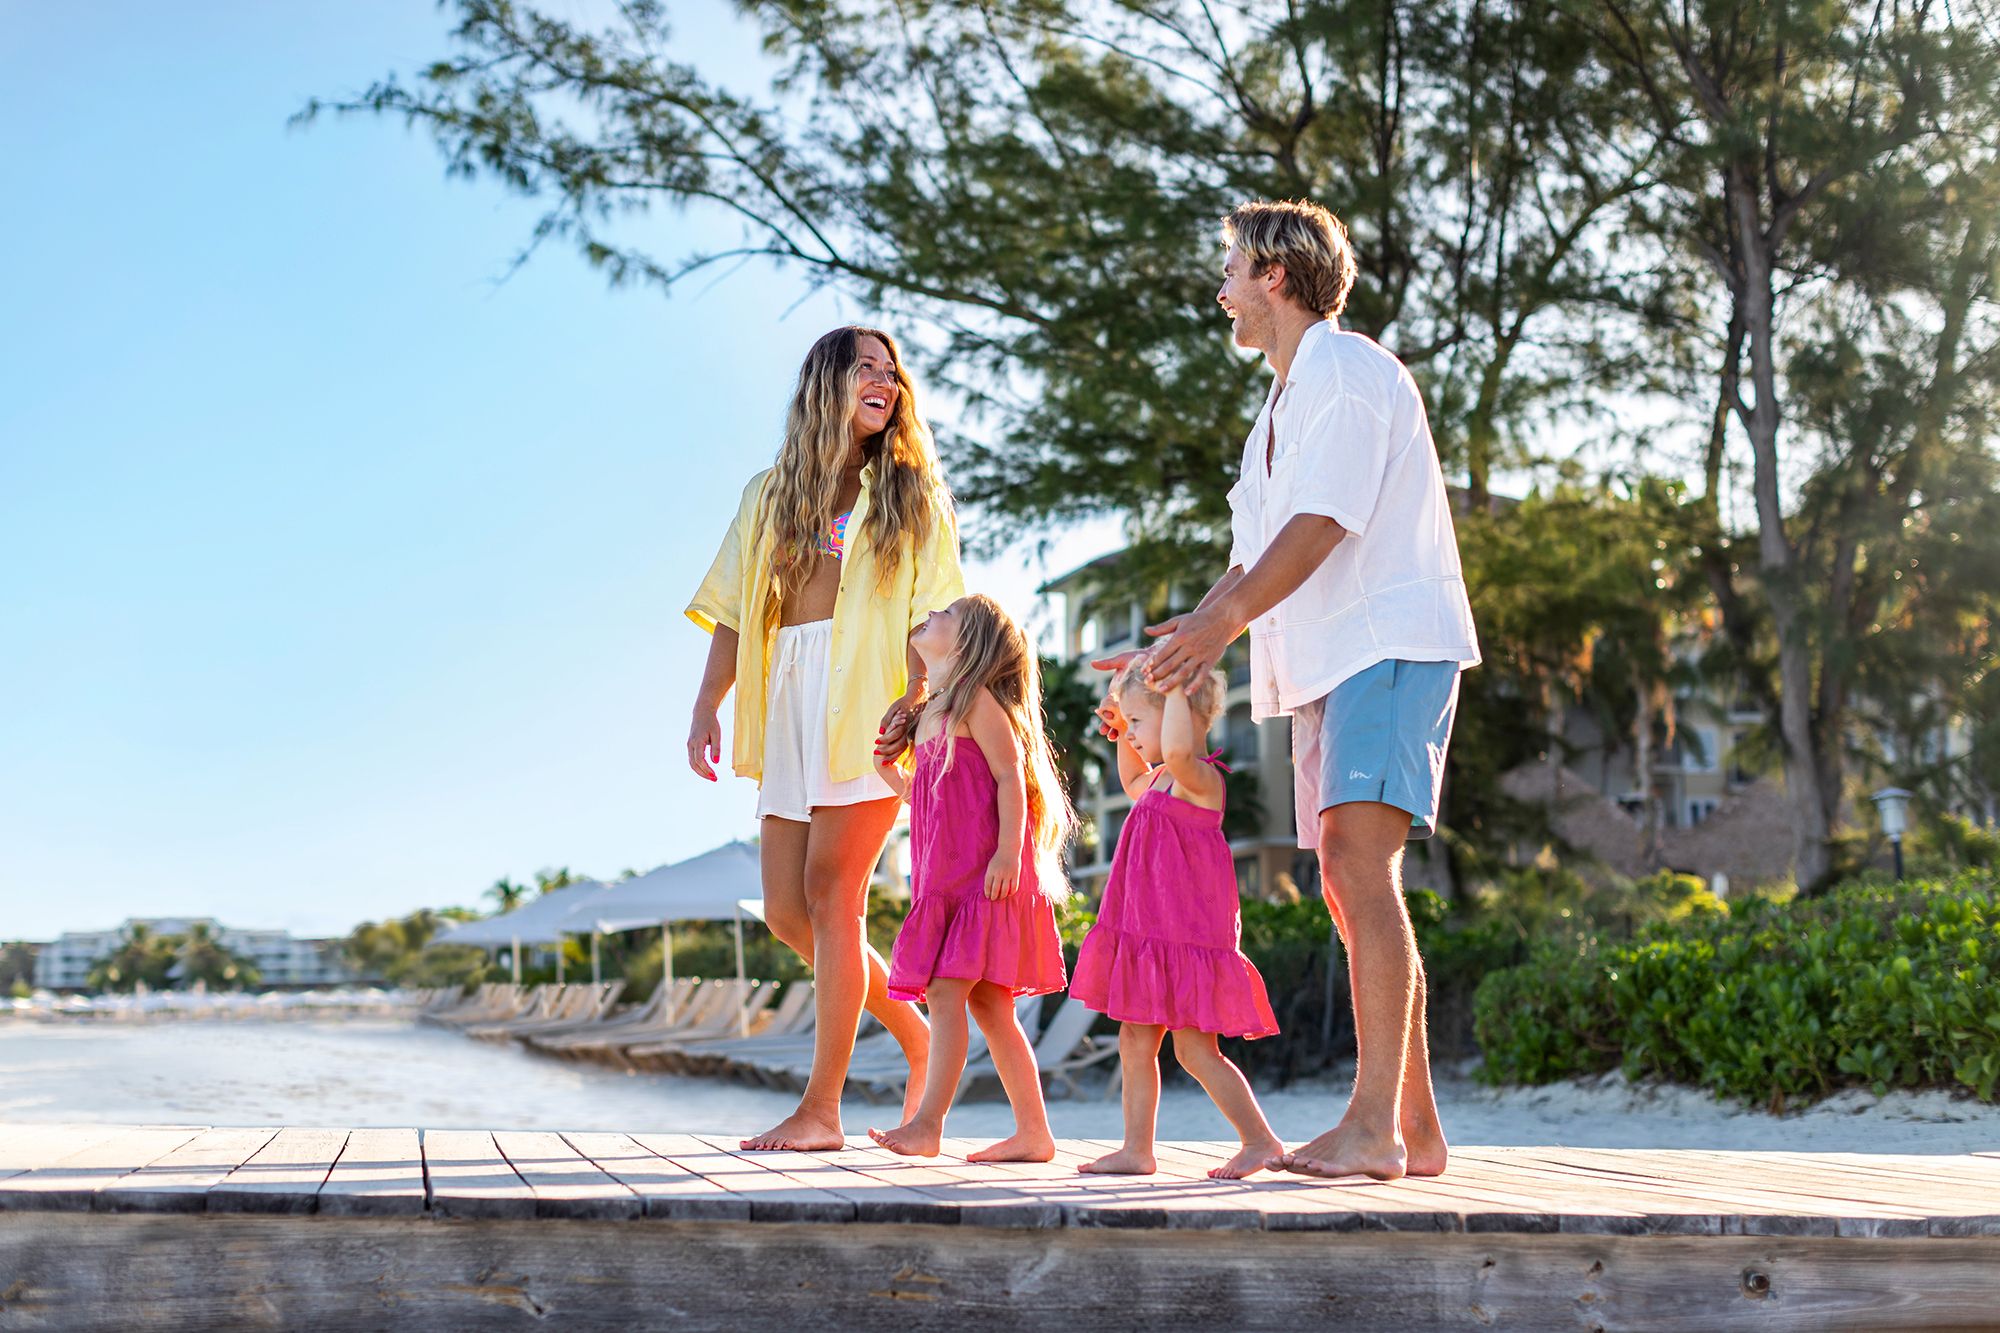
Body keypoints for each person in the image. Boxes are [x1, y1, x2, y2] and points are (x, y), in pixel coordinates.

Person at [1099, 199, 1480, 1182]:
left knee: (1358, 861)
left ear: (1275, 274)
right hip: (1322, 666)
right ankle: (1417, 1128)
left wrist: (1219, 625)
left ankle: (1372, 1130)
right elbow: (1248, 561)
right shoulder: (1271, 412)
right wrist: (1181, 641)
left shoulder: (1347, 373)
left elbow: (1320, 523)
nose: (1220, 284)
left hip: (1386, 638)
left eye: (1231, 265)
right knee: (1347, 890)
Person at [686, 325, 965, 1152]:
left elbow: (937, 616)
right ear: (824, 386)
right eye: (865, 369)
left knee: (833, 895)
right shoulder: (768, 494)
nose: (884, 381)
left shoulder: (914, 494)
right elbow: (735, 611)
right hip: (787, 697)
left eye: (891, 371)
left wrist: (919, 705)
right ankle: (910, 1032)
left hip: (872, 704)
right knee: (784, 908)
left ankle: (822, 1109)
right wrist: (707, 701)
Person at [867, 594, 1071, 1163]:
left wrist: (1010, 853)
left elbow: (1011, 776)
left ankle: (927, 1125)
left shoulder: (972, 701)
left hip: (984, 879)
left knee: (944, 992)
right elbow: (930, 798)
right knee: (990, 1008)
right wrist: (890, 770)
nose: (931, 613)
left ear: (968, 643)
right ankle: (1034, 1134)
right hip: (946, 883)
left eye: (947, 614)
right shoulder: (932, 710)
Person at [1068, 654, 1282, 1180]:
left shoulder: (1199, 778)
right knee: (1135, 1038)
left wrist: (1179, 683)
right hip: (1148, 933)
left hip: (1185, 936)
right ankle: (1137, 1150)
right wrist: (1122, 729)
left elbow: (1182, 747)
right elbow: (1132, 782)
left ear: (1181, 715)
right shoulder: (1162, 780)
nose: (1133, 731)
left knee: (1193, 1049)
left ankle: (1260, 1140)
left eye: (1141, 721)